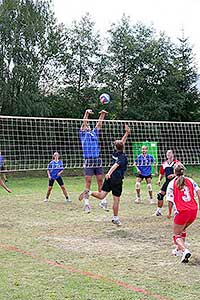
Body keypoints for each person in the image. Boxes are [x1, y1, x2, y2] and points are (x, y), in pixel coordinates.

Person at [79, 124, 130, 226]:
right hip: (116, 179)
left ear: (116, 147)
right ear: (122, 148)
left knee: (102, 195)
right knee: (116, 200)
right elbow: (115, 165)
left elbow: (122, 142)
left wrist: (127, 133)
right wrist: (109, 173)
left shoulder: (114, 153)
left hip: (109, 179)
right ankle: (115, 217)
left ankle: (88, 193)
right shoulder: (122, 156)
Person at [166, 163, 200, 263]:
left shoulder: (172, 183)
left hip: (182, 211)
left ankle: (185, 251)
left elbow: (169, 200)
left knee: (176, 235)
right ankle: (179, 250)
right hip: (193, 210)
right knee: (183, 229)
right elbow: (198, 192)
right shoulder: (190, 180)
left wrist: (169, 212)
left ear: (174, 172)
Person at [79, 109, 108, 213]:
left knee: (100, 180)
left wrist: (102, 115)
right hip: (88, 160)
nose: (87, 126)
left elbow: (99, 125)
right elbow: (84, 122)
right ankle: (86, 204)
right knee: (88, 182)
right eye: (86, 126)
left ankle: (103, 201)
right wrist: (86, 113)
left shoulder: (94, 133)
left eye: (88, 126)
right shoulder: (83, 134)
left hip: (97, 160)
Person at [155, 150, 180, 216]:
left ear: (173, 154)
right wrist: (159, 180)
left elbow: (181, 172)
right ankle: (158, 211)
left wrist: (174, 175)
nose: (168, 154)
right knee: (160, 195)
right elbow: (161, 173)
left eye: (170, 153)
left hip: (175, 181)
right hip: (167, 182)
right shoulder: (164, 164)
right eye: (167, 153)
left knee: (175, 197)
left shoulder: (177, 163)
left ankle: (176, 211)